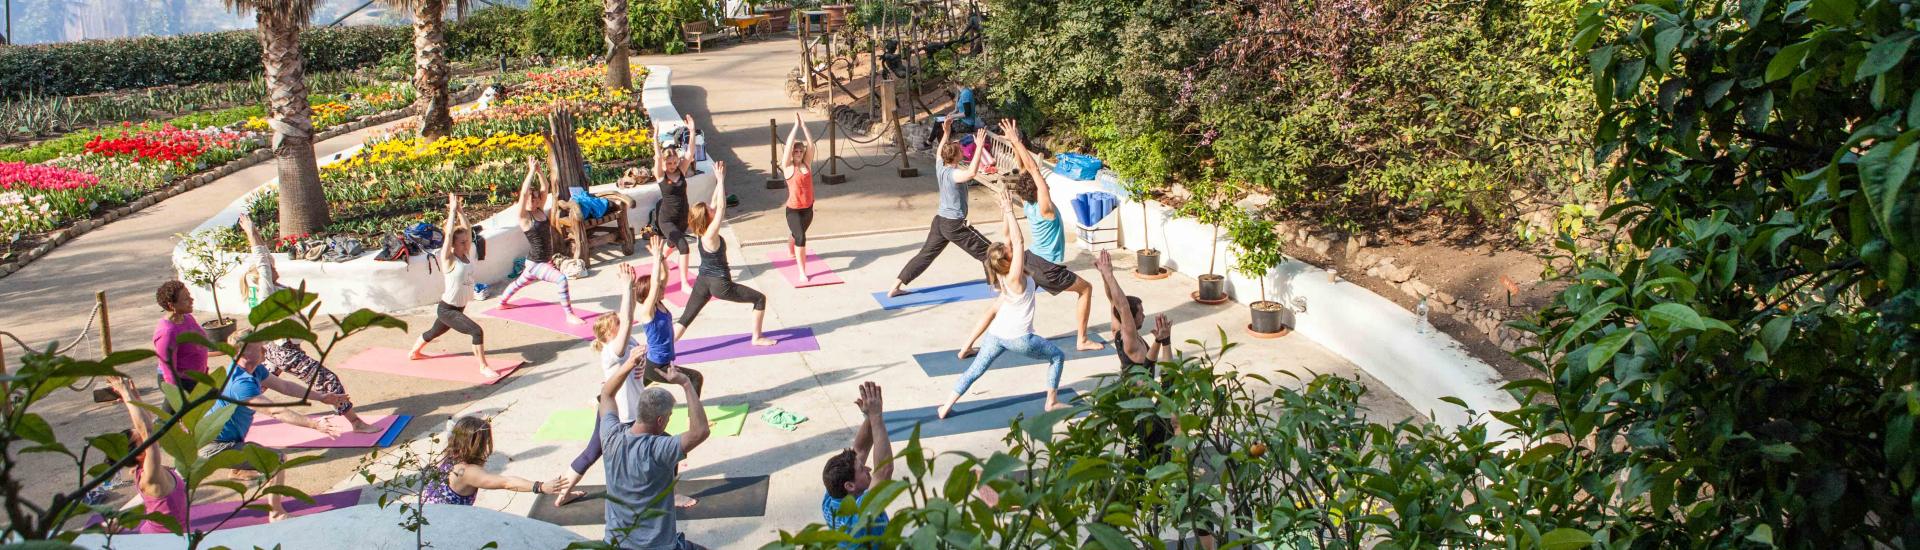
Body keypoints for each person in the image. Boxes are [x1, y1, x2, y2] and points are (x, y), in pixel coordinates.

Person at [558, 238, 707, 507]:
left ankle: (562, 491)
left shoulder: (629, 344)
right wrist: (627, 287)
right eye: (616, 325)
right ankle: (670, 494)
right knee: (667, 448)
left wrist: (660, 258)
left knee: (592, 452)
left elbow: (636, 311)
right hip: (624, 417)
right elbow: (628, 318)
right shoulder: (613, 352)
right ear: (608, 334)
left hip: (616, 410)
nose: (622, 325)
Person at [235, 215, 381, 434]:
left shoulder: (263, 289)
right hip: (285, 350)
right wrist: (249, 233)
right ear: (263, 275)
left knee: (260, 384)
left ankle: (229, 411)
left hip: (277, 349)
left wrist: (255, 233)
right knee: (327, 379)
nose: (276, 269)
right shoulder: (266, 292)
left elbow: (264, 258)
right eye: (271, 269)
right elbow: (262, 262)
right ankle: (355, 422)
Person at [937, 190, 1070, 419]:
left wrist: (1005, 212)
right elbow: (1018, 241)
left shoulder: (999, 271)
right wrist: (1010, 210)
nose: (1011, 250)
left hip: (996, 334)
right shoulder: (1015, 278)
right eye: (1009, 253)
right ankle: (1051, 401)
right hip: (1020, 339)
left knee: (975, 370)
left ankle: (945, 406)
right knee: (1057, 357)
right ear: (1009, 260)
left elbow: (1008, 239)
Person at [202, 339, 350, 522]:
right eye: (258, 347)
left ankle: (237, 470)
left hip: (225, 439)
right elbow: (276, 411)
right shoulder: (240, 384)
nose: (264, 349)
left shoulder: (253, 369)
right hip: (214, 446)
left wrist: (321, 397)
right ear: (243, 354)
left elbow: (285, 387)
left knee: (246, 451)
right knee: (276, 460)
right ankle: (276, 513)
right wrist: (314, 424)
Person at [998, 119, 1102, 351]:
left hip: (1029, 259)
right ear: (1038, 188)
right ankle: (1082, 340)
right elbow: (1033, 170)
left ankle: (999, 334)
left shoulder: (1027, 203)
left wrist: (1017, 146)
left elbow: (1024, 170)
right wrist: (1015, 141)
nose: (1043, 183)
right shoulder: (1046, 208)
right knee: (1086, 289)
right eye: (1041, 183)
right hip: (1046, 267)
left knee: (1012, 299)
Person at [595, 339, 711, 549]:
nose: (668, 420)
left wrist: (629, 363)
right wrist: (685, 383)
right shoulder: (659, 449)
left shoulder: (611, 437)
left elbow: (606, 394)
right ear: (660, 421)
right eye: (668, 417)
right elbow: (700, 431)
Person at [673, 161, 776, 346]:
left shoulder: (700, 232)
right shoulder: (710, 235)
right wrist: (720, 181)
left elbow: (714, 204)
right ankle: (757, 337)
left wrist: (719, 179)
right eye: (709, 210)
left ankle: (661, 350)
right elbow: (720, 208)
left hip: (703, 281)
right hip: (721, 285)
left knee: (685, 319)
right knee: (760, 299)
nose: (712, 207)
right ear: (707, 217)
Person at [887, 121, 993, 297]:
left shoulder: (940, 166)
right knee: (988, 252)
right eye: (960, 151)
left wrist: (946, 133)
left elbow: (939, 151)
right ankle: (995, 286)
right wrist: (980, 146)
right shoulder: (954, 174)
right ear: (956, 157)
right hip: (954, 225)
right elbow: (971, 173)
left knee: (925, 255)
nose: (963, 152)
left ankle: (895, 287)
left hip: (940, 222)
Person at [409, 194, 503, 380]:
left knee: (433, 332)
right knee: (476, 331)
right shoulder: (448, 259)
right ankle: (483, 367)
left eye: (466, 241)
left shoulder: (466, 254)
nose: (466, 243)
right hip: (448, 309)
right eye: (462, 242)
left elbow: (467, 230)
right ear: (453, 244)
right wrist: (451, 211)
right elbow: (449, 235)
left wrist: (460, 211)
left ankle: (413, 352)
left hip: (457, 307)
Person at [495, 157, 585, 325]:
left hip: (538, 261)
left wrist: (539, 171)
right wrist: (530, 171)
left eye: (535, 198)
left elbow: (546, 188)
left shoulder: (540, 211)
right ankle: (569, 315)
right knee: (561, 280)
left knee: (518, 283)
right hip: (537, 263)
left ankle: (502, 302)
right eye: (529, 198)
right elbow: (523, 193)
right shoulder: (524, 217)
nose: (532, 200)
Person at [421, 415, 574, 505]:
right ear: (477, 444)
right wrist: (540, 487)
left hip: (429, 516)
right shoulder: (467, 471)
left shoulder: (451, 455)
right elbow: (506, 482)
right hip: (440, 525)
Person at [104, 376, 188, 534]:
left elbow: (149, 428)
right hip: (165, 543)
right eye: (141, 438)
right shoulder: (151, 475)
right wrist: (125, 392)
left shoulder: (144, 468)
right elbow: (147, 430)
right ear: (139, 454)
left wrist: (134, 397)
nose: (146, 437)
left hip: (154, 531)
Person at [821, 382, 894, 547]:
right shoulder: (861, 512)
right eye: (862, 470)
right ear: (850, 486)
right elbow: (884, 470)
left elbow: (860, 450)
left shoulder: (830, 499)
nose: (868, 469)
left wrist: (869, 417)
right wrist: (876, 416)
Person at [649, 125, 697, 292]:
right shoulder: (661, 176)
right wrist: (655, 137)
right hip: (667, 219)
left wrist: (692, 131)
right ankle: (684, 283)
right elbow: (657, 157)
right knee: (683, 246)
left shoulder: (681, 171)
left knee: (671, 244)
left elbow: (690, 153)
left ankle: (661, 257)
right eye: (669, 163)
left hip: (682, 218)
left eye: (674, 162)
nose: (672, 165)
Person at [781, 112, 820, 281]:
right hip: (793, 211)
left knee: (798, 233)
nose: (797, 152)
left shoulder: (807, 164)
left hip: (808, 209)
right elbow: (788, 145)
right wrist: (795, 126)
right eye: (795, 151)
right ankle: (802, 272)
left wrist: (804, 126)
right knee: (802, 237)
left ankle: (791, 249)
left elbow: (811, 145)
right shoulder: (788, 167)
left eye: (800, 151)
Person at [152, 281, 208, 395]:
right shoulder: (167, 333)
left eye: (189, 296)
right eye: (186, 299)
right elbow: (169, 371)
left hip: (197, 379)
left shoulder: (187, 318)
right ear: (171, 305)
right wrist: (178, 396)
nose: (192, 300)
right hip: (180, 383)